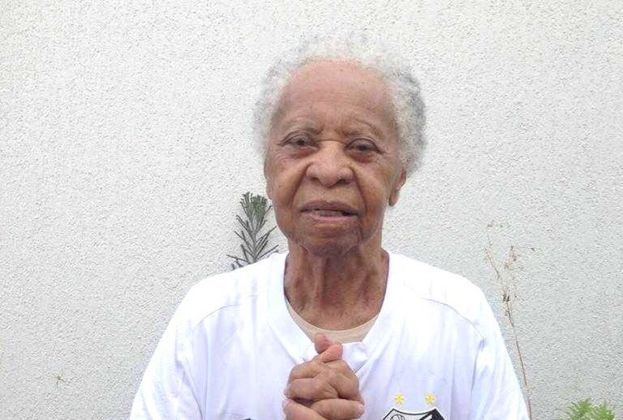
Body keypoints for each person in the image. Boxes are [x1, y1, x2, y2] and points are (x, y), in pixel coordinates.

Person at [130, 35, 529, 420]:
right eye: (300, 141)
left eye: (362, 147)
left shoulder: (457, 321)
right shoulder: (209, 320)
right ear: (268, 169)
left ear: (399, 177)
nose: (329, 169)